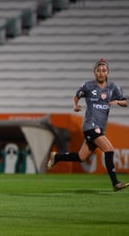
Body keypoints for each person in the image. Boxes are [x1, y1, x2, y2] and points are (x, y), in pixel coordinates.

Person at [47, 58, 128, 192]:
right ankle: (115, 182)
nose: (101, 73)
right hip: (90, 126)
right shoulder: (89, 86)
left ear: (107, 73)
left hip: (100, 128)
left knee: (81, 157)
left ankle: (57, 157)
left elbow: (125, 102)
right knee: (109, 149)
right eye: (98, 70)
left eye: (104, 70)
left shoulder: (113, 88)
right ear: (94, 73)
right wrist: (75, 105)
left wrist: (118, 102)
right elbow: (77, 95)